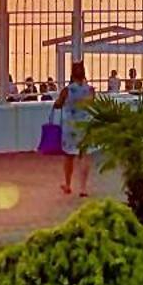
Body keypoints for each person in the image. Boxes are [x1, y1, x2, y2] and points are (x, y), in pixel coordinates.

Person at [56, 59, 96, 197]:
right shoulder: (90, 90)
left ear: (72, 75)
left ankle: (67, 184)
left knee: (69, 156)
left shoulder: (67, 90)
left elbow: (58, 104)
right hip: (85, 125)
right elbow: (92, 105)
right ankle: (83, 188)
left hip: (70, 126)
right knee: (84, 155)